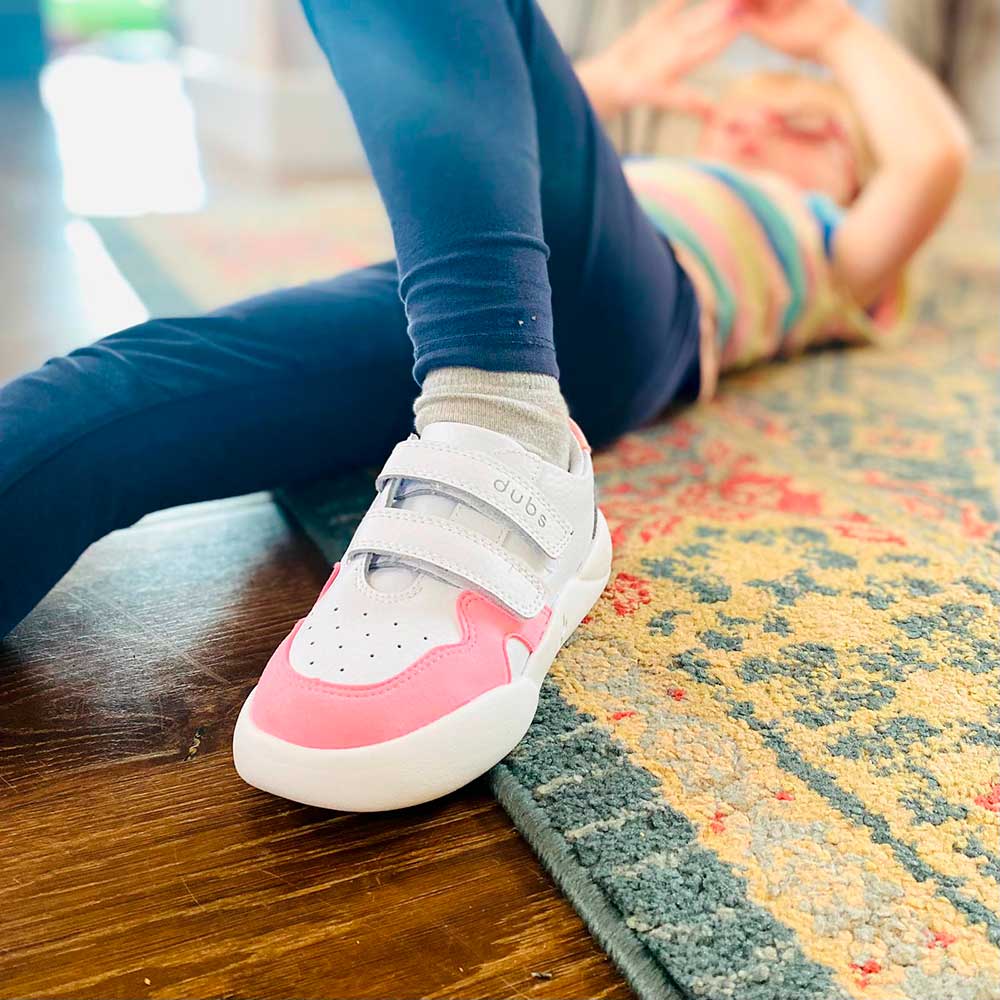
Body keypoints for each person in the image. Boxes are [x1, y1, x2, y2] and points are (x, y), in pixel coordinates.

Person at [0, 0, 968, 811]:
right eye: (735, 116)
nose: (752, 129)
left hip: (626, 329)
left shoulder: (828, 244)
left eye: (802, 125)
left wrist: (837, 37)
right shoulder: (627, 181)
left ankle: (505, 422)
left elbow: (930, 160)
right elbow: (486, 137)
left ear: (849, 174)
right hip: (445, 305)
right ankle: (482, 398)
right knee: (106, 395)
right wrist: (618, 75)